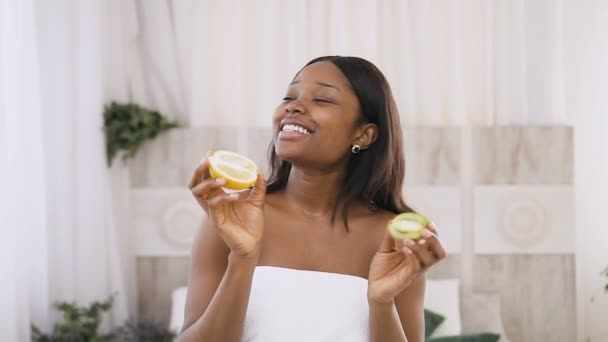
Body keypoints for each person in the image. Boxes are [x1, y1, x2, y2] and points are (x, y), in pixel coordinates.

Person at [180, 56, 446, 342]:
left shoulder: (395, 239)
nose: (293, 106)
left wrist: (381, 303)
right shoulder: (232, 218)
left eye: (322, 99)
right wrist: (242, 259)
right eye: (289, 96)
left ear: (364, 134)